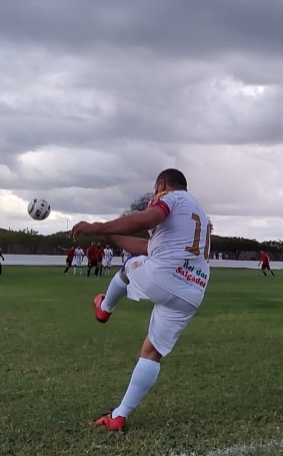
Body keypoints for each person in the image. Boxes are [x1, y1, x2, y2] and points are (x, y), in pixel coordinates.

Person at [71, 168, 211, 432]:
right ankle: (118, 416)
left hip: (165, 276)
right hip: (193, 290)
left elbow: (146, 219)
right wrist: (108, 235)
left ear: (161, 184)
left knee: (130, 267)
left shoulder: (171, 198)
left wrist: (97, 227)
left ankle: (105, 307)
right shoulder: (199, 213)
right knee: (151, 352)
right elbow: (147, 247)